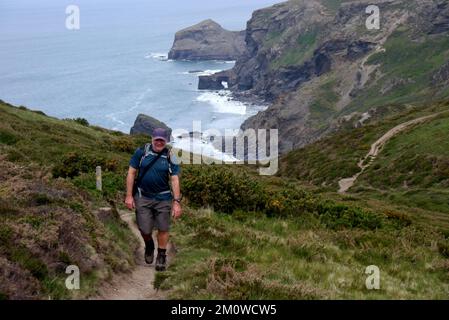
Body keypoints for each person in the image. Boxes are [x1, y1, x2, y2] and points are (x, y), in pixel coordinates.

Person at [125, 128, 182, 271]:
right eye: (156, 139)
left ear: (166, 141)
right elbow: (131, 173)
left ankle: (161, 256)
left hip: (163, 198)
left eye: (162, 140)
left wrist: (176, 202)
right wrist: (129, 195)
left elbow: (174, 179)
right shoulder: (141, 152)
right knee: (144, 228)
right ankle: (149, 245)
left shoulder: (171, 155)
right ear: (152, 139)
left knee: (163, 227)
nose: (159, 142)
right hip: (142, 196)